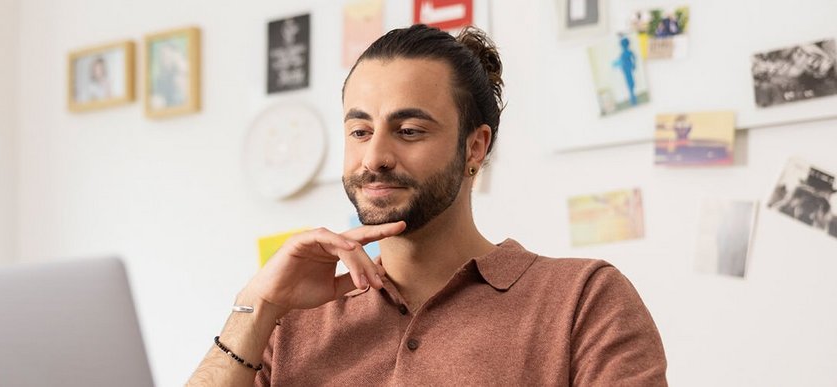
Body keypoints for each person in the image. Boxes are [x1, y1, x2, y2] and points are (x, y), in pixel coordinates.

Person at [188, 25, 666, 386]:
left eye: (410, 131)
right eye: (359, 131)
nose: (374, 157)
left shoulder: (584, 300)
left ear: (474, 148)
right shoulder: (291, 317)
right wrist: (258, 305)